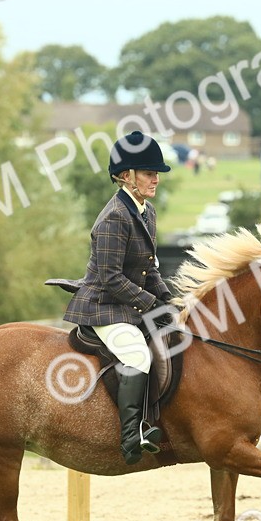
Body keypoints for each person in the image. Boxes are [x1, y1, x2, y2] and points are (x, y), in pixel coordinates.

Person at [62, 132, 175, 465]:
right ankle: (131, 435)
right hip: (103, 306)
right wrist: (151, 305)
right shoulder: (114, 216)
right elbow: (111, 279)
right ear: (126, 176)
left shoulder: (146, 212)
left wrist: (169, 302)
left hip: (127, 302)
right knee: (138, 354)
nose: (156, 178)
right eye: (147, 172)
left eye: (156, 173)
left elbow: (148, 268)